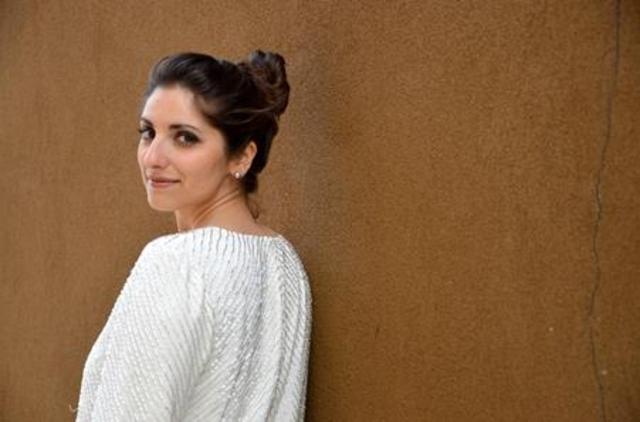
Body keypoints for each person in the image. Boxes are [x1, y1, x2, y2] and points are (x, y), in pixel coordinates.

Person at [73, 50, 312, 421]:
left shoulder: (174, 265)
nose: (153, 157)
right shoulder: (285, 267)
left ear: (241, 157)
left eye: (185, 137)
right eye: (148, 133)